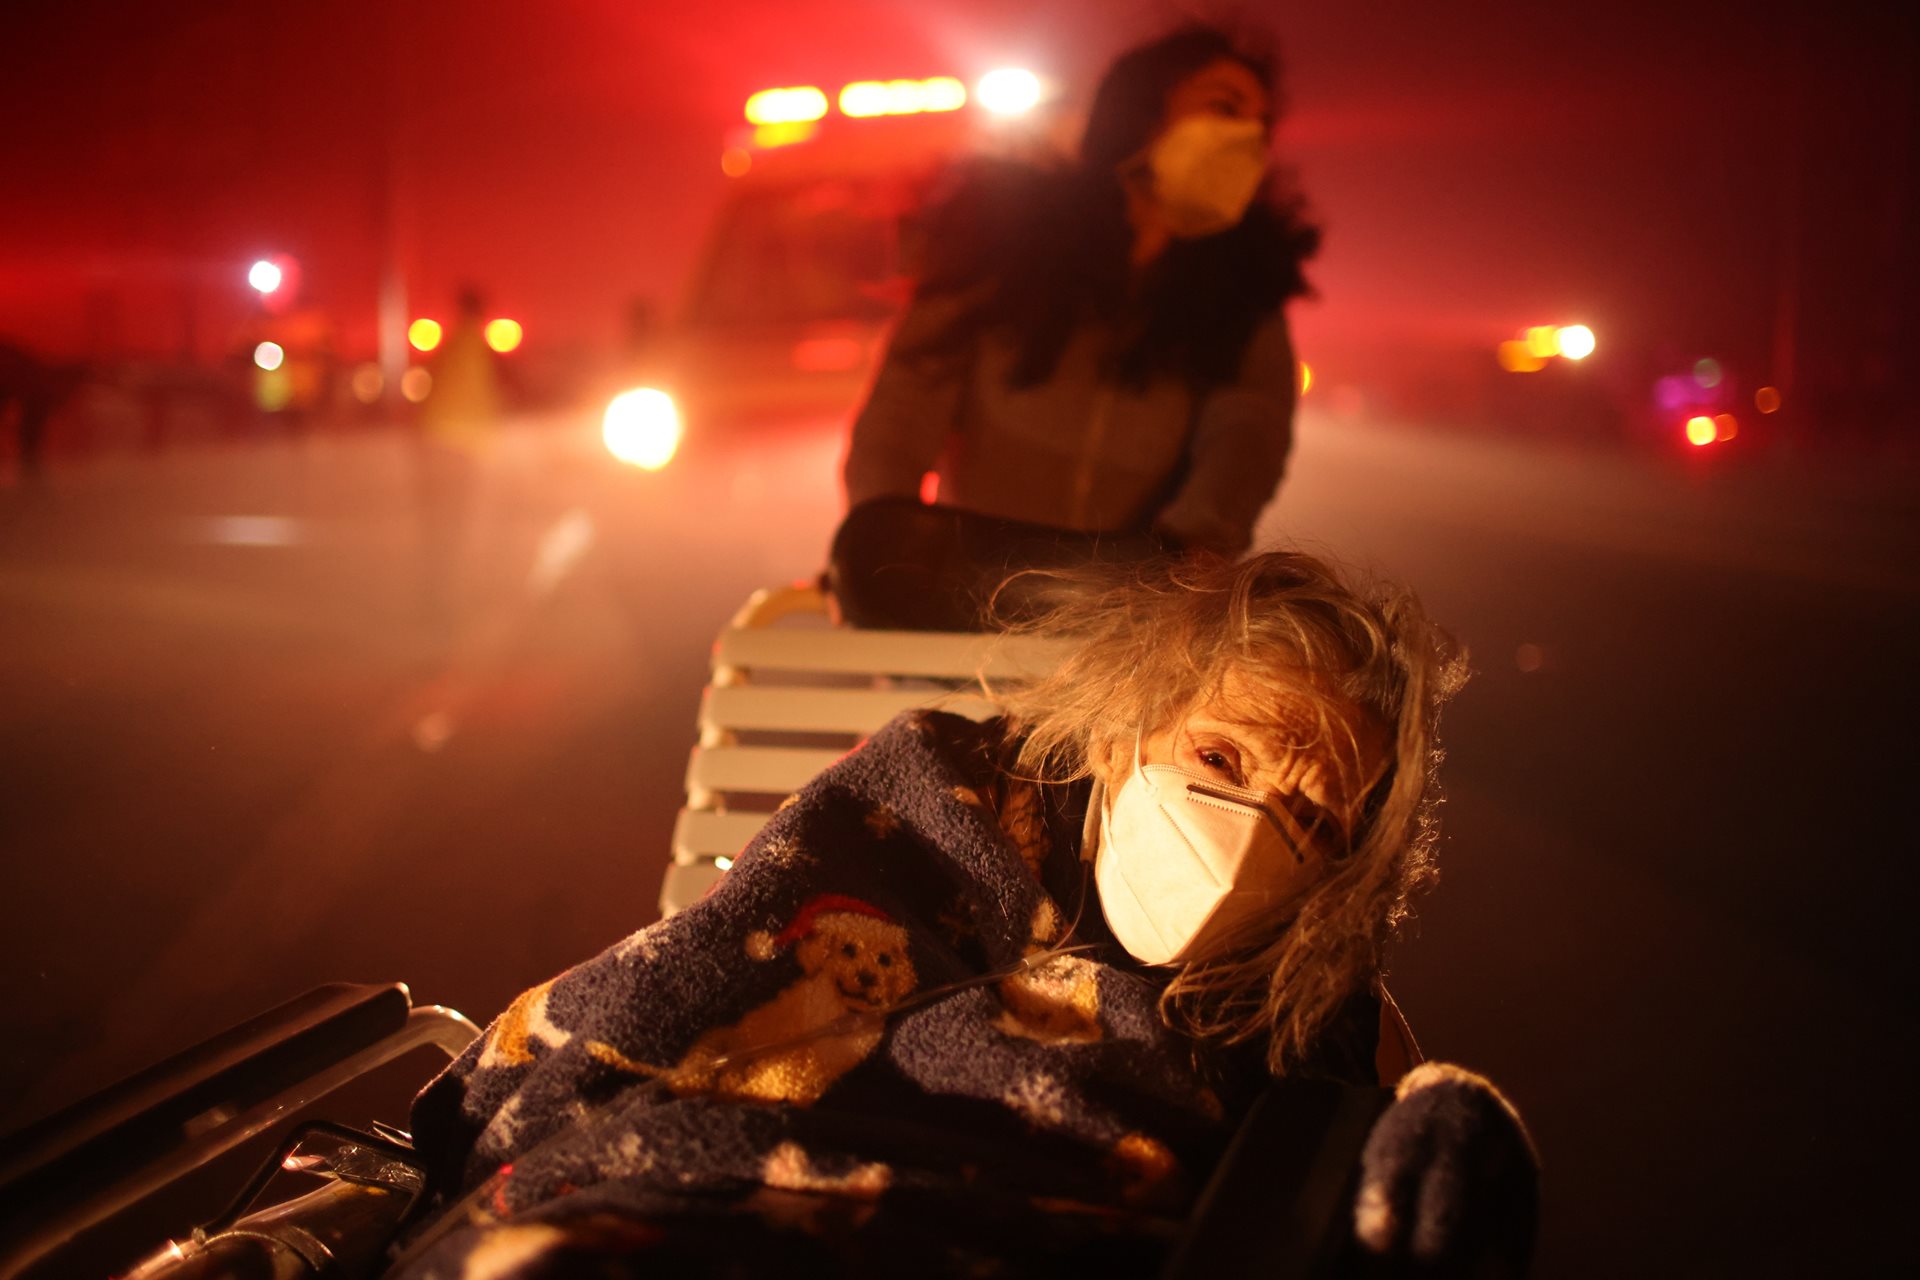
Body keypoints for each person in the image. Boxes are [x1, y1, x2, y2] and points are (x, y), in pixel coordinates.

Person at [393, 553, 1536, 1278]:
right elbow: (693, 977)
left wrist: (1427, 1119)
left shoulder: (1313, 991)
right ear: (1124, 728)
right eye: (1222, 754)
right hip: (711, 1206)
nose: (1249, 830)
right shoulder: (944, 802)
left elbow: (1379, 1118)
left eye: (1313, 820)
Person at [840, 24, 1320, 563]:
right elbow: (905, 407)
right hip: (970, 585)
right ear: (1139, 112)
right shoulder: (1000, 241)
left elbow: (1247, 430)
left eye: (1260, 127)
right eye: (1224, 107)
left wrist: (1194, 548)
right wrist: (880, 536)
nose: (1245, 140)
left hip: (1135, 604)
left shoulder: (1245, 296)